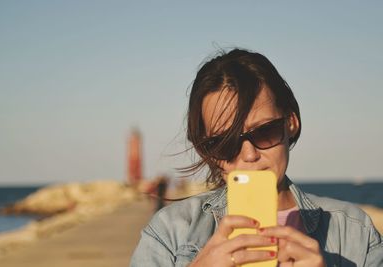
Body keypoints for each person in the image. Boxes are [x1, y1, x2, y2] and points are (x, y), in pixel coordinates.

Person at [130, 48, 383, 266]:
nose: (249, 154)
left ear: (291, 122)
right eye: (225, 143)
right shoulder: (169, 231)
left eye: (264, 132)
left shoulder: (355, 231)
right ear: (206, 150)